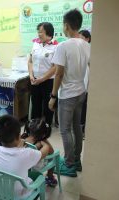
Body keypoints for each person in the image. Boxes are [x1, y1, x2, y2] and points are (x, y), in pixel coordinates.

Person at [48, 9, 90, 177]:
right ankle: (77, 161)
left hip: (67, 94)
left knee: (65, 130)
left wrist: (53, 96)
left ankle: (69, 164)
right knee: (77, 127)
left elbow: (58, 73)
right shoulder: (86, 45)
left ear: (66, 25)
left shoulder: (63, 46)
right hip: (81, 91)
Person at [0, 115, 50, 197]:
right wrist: (43, 143)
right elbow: (45, 150)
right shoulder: (26, 154)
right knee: (39, 177)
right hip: (19, 196)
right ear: (19, 137)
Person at [28, 22, 57, 126]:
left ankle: (46, 127)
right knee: (35, 105)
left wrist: (42, 79)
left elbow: (55, 67)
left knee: (47, 107)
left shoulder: (55, 46)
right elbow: (30, 61)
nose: (39, 34)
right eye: (38, 32)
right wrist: (31, 76)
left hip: (48, 81)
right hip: (34, 80)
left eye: (41, 32)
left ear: (49, 33)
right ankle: (33, 127)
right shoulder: (36, 44)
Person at [21, 118, 57, 187]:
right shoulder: (41, 142)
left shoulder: (24, 137)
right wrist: (45, 140)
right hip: (36, 166)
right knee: (53, 158)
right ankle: (50, 177)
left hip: (25, 163)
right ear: (43, 134)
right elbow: (52, 152)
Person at [79, 30, 91, 135]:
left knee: (84, 106)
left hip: (86, 85)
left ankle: (82, 128)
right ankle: (79, 128)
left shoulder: (90, 50)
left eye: (81, 38)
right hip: (78, 84)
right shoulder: (79, 50)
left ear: (87, 39)